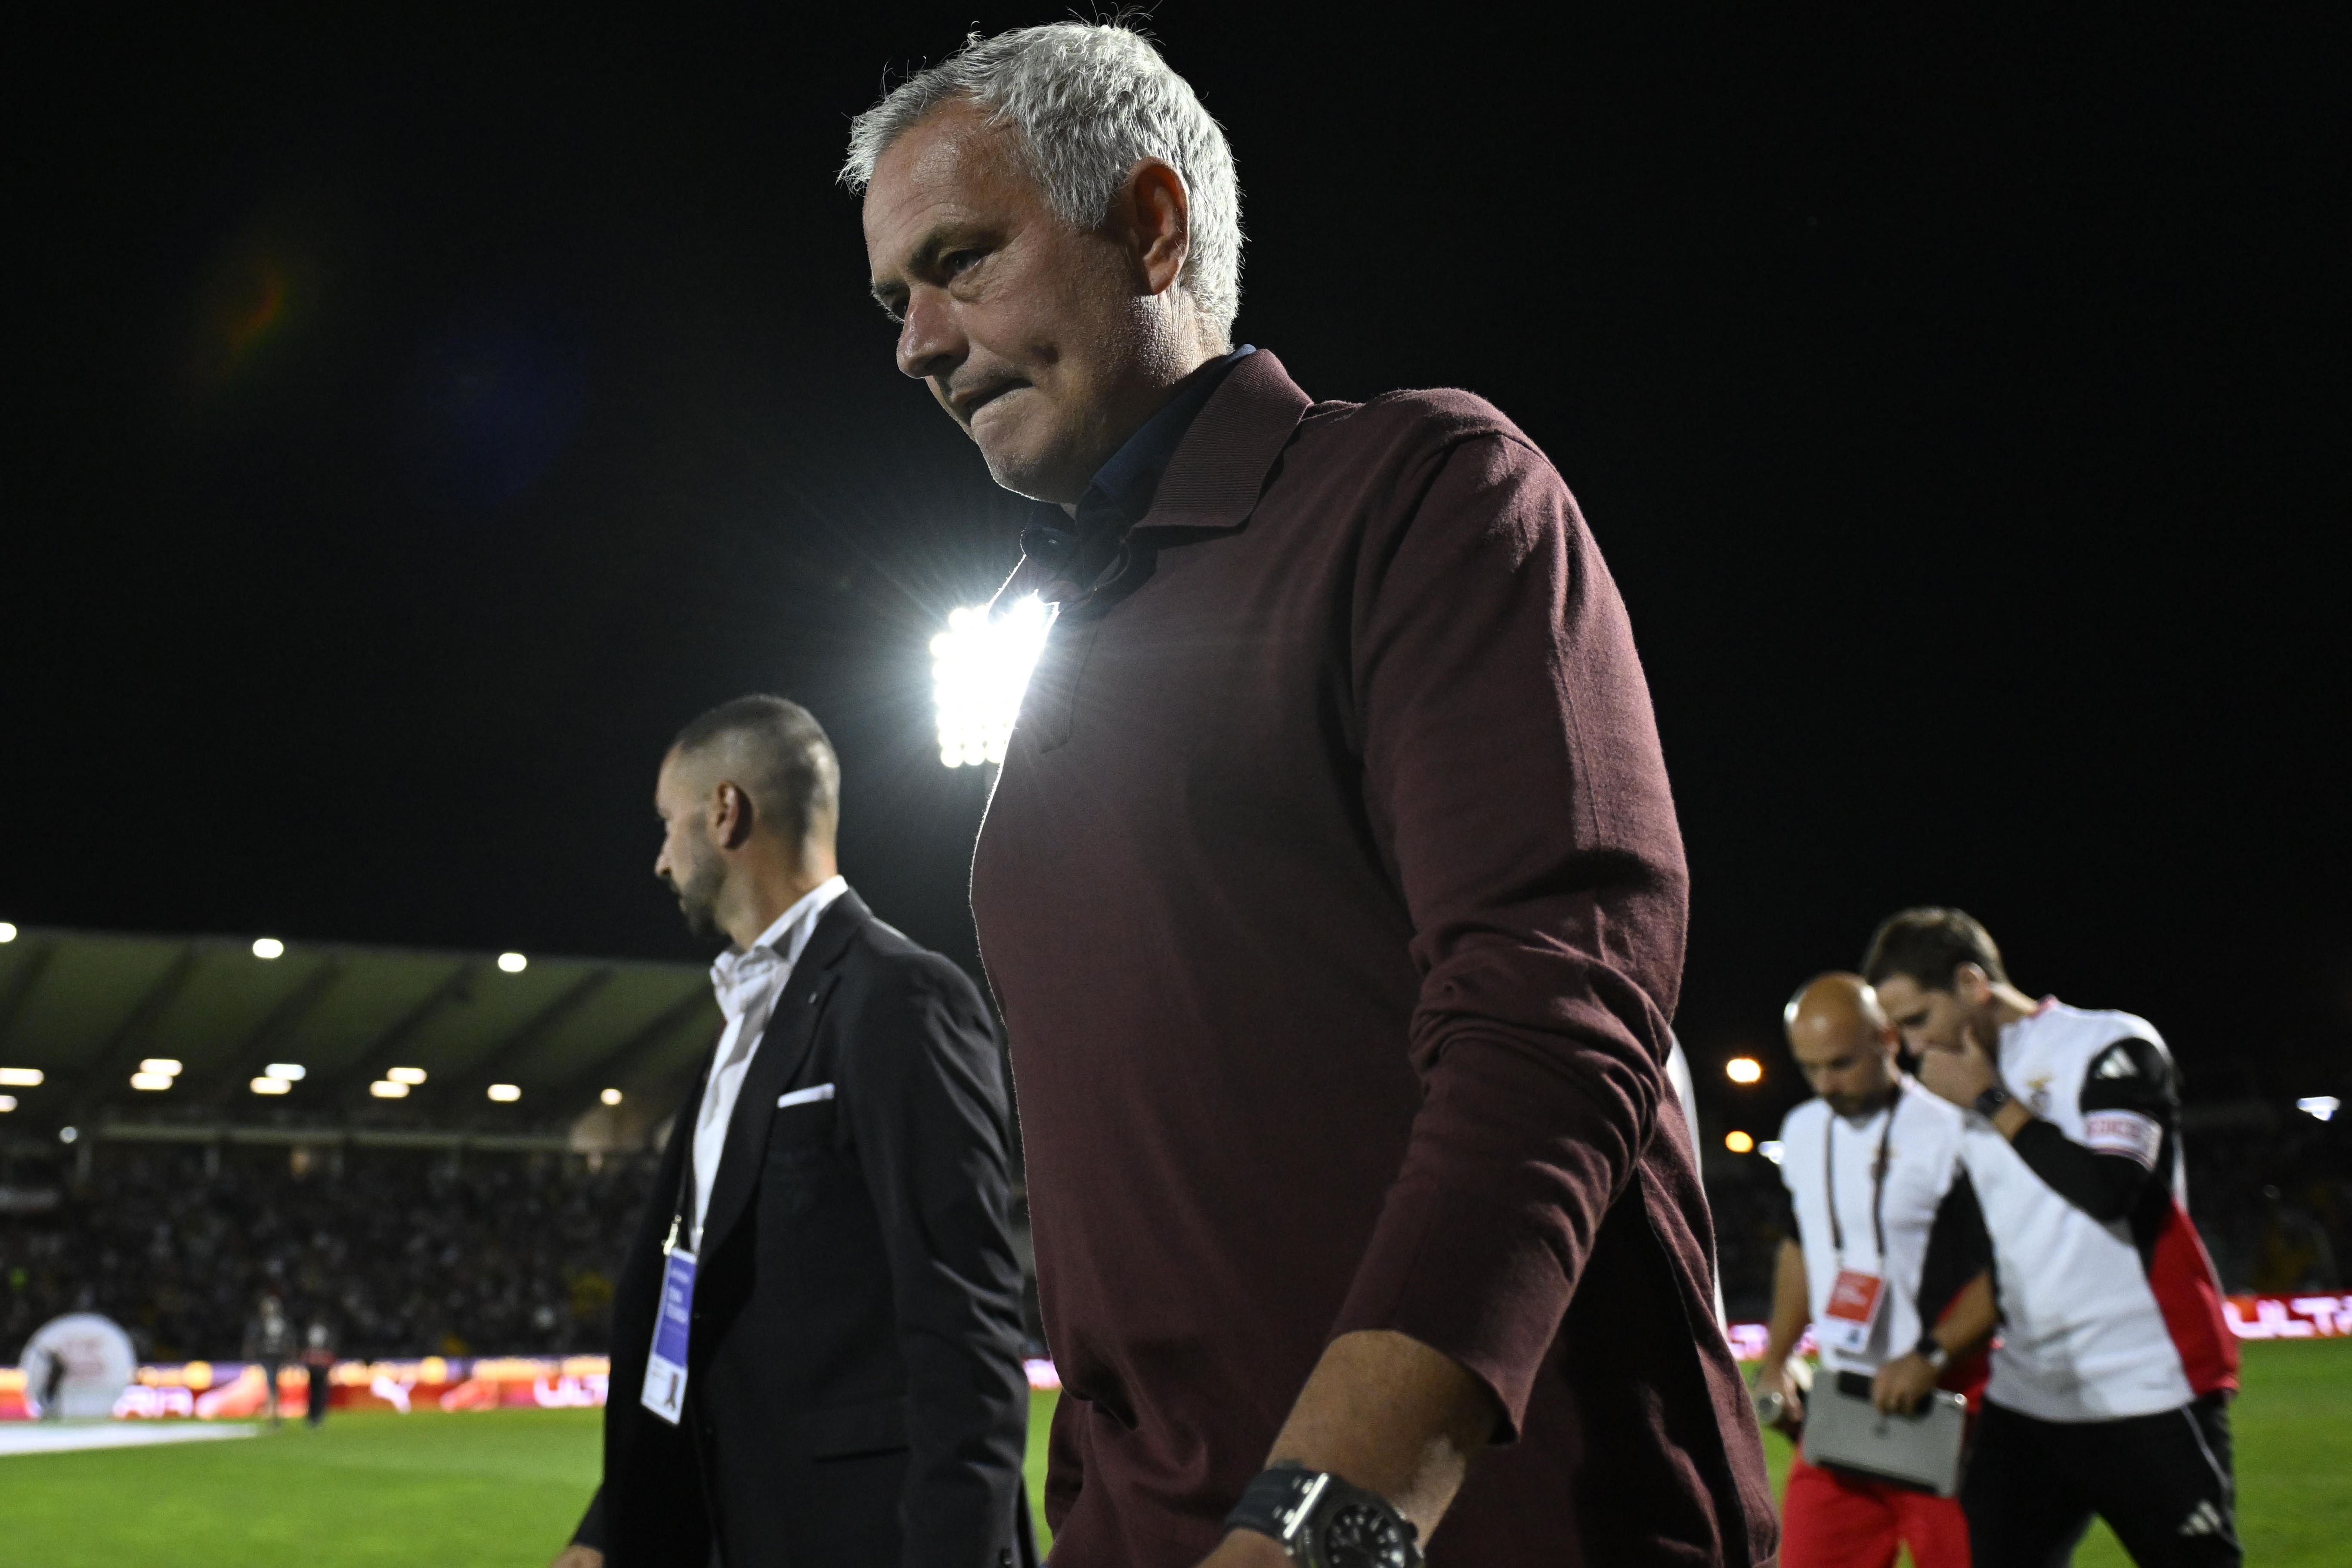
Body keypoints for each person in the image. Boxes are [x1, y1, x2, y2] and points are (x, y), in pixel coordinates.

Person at [844, 24, 1774, 1568]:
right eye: (892, 299)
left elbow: (1553, 1032)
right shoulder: (1055, 653)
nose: (915, 342)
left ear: (1148, 226)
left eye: (959, 262)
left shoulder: (1424, 492)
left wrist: (1321, 1525)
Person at [554, 696, 1033, 1568]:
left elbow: (961, 1331)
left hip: (864, 1537)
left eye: (668, 824)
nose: (660, 860)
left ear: (725, 812)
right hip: (743, 1528)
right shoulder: (742, 1024)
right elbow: (699, 1313)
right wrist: (608, 1527)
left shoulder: (899, 998)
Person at [1863, 908, 2241, 1567]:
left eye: (1920, 1019)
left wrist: (1990, 1100)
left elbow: (2110, 1192)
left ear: (1973, 982)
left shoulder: (2109, 1042)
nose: (1916, 1046)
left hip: (2149, 1382)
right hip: (2030, 1391)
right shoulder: (1953, 1085)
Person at [1756, 974, 1995, 1568]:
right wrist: (1777, 1357)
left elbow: (2006, 1270)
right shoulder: (1802, 1128)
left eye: (1840, 1063)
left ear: (1888, 1038)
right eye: (1810, 1067)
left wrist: (1931, 1355)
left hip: (1949, 1404)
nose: (1826, 1083)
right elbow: (1799, 1248)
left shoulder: (1954, 1129)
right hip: (1841, 1408)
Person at [243, 1293, 294, 1426]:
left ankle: (273, 1415)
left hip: (271, 1357)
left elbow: (254, 1340)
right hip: (274, 1357)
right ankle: (274, 1414)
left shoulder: (265, 1323)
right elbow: (289, 1340)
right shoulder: (280, 1322)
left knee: (272, 1385)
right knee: (273, 1385)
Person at [299, 1316, 337, 1428]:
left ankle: (317, 1416)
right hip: (315, 1365)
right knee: (316, 1390)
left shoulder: (314, 1330)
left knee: (319, 1391)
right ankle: (314, 1416)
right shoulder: (325, 1330)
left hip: (320, 1364)